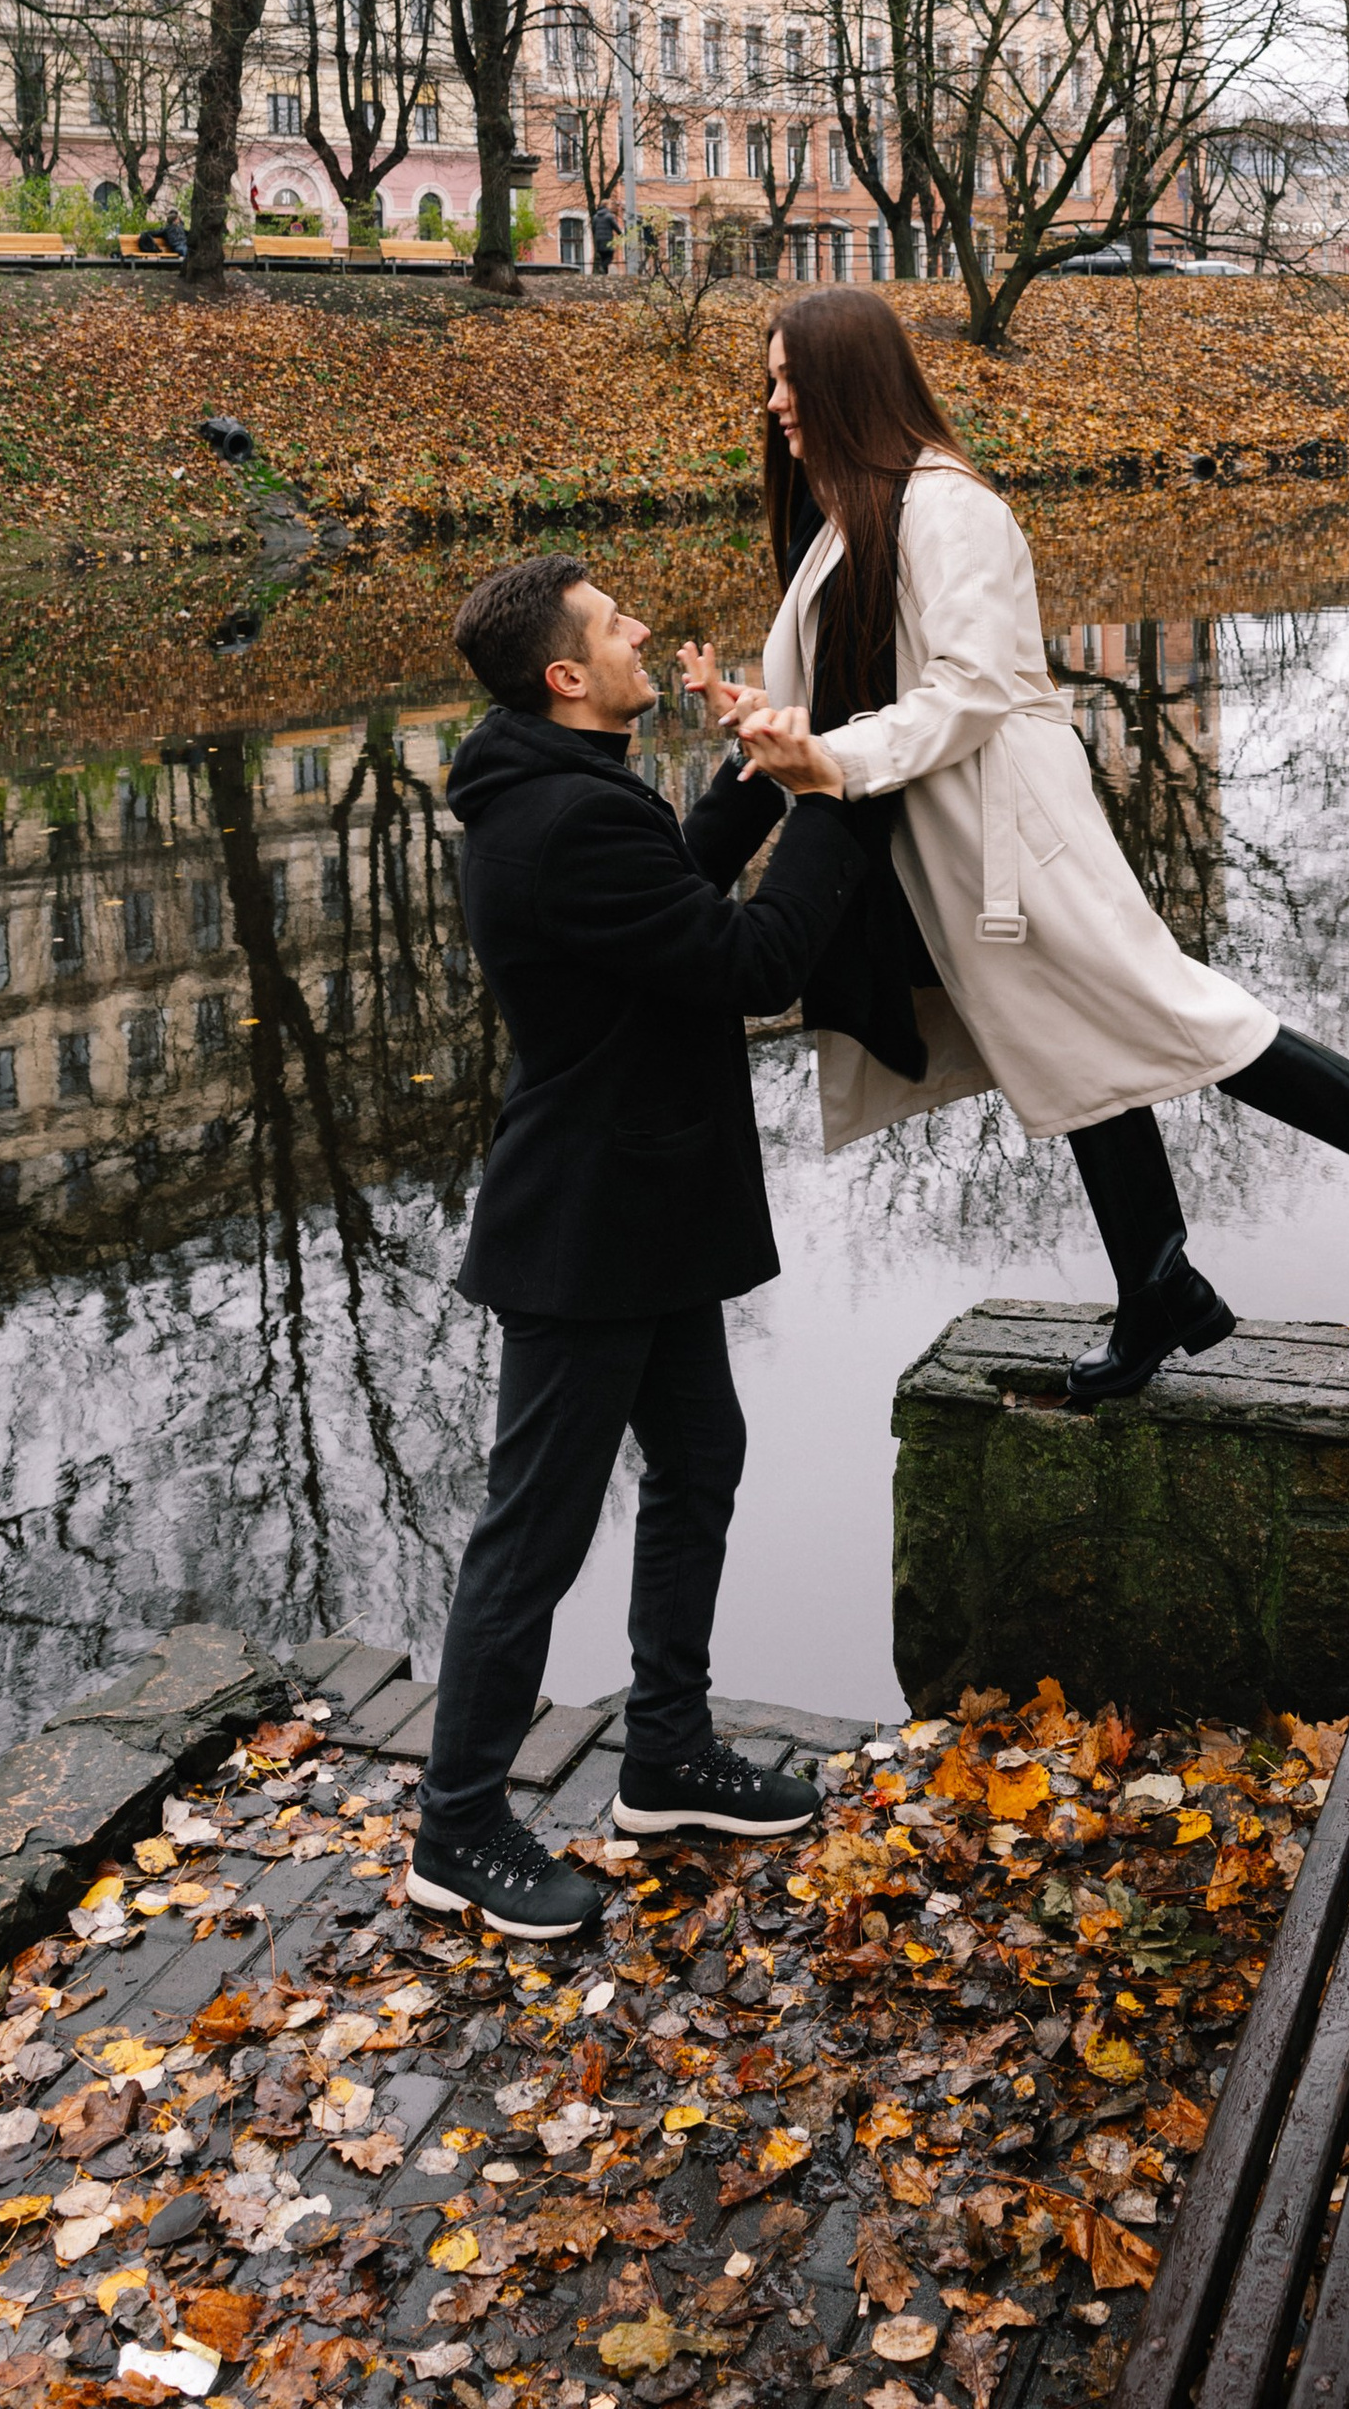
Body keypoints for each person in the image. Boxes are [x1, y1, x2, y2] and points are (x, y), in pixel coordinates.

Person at [688, 291, 1349, 1413]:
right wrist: (769, 721)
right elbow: (850, 690)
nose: (772, 403)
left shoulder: (946, 507)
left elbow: (965, 689)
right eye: (768, 380)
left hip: (1010, 822)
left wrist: (832, 762)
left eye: (788, 381)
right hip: (944, 836)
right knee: (1069, 1047)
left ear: (848, 383)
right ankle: (1156, 1283)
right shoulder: (847, 522)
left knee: (1156, 1009)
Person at [408, 550, 860, 1942]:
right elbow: (750, 967)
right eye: (615, 626)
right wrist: (827, 800)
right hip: (590, 1226)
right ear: (565, 676)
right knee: (532, 1534)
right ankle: (459, 1830)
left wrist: (747, 786)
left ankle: (665, 1757)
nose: (642, 632)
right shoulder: (558, 824)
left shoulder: (561, 788)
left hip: (643, 1204)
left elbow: (666, 890)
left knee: (701, 1457)